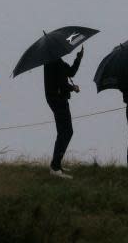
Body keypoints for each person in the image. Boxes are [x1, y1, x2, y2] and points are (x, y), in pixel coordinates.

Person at [44, 46, 84, 178]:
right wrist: (73, 88)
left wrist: (78, 58)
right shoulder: (54, 63)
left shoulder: (56, 61)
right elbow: (62, 84)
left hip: (57, 100)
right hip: (58, 101)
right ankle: (55, 167)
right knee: (66, 132)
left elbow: (71, 72)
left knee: (64, 132)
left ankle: (56, 164)